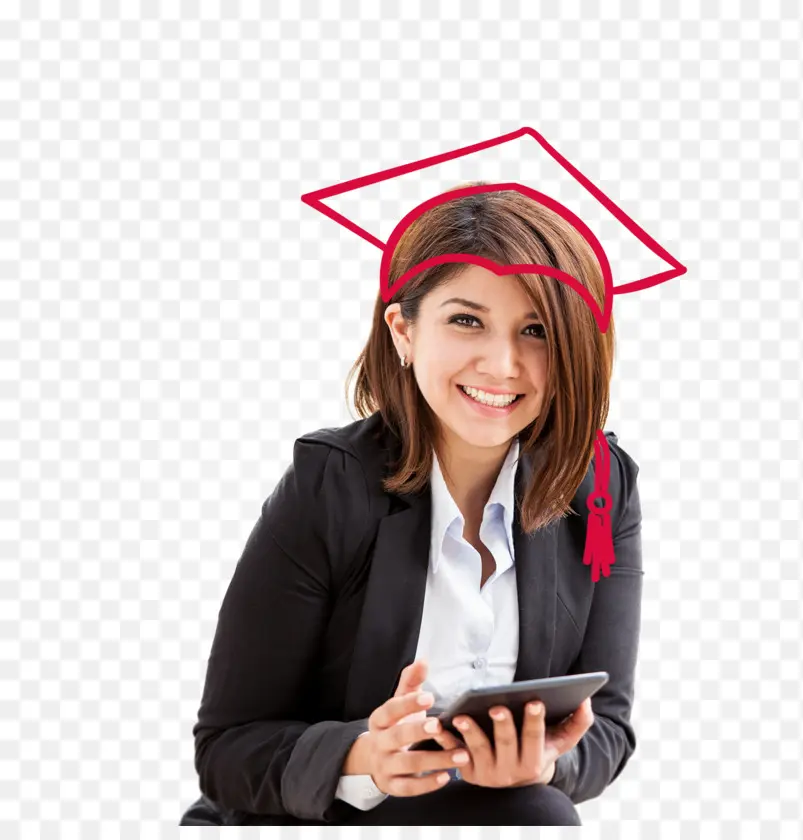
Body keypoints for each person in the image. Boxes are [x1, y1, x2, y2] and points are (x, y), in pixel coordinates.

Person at [179, 182, 646, 825]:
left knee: (541, 810)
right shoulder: (331, 485)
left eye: (535, 330)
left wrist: (545, 764)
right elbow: (228, 750)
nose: (503, 364)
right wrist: (363, 756)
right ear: (403, 329)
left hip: (480, 818)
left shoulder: (599, 484)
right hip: (317, 823)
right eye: (466, 320)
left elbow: (608, 728)